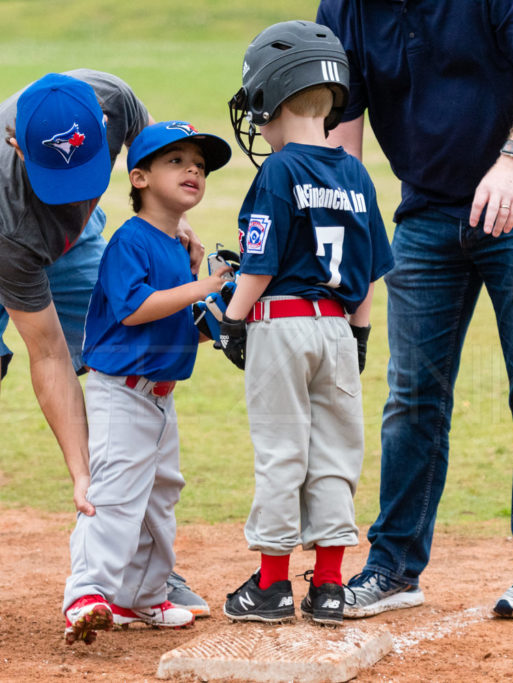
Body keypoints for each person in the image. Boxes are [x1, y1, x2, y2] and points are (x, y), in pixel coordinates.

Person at [0, 71, 208, 646]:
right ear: (19, 148)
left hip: (66, 243)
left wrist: (176, 221)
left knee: (125, 366)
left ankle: (140, 571)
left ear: (101, 125)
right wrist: (82, 473)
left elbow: (157, 161)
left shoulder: (110, 97)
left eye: (90, 174)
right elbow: (48, 355)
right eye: (63, 180)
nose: (81, 194)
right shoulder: (0, 212)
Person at [315, 0, 513, 619]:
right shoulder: (344, 8)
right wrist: (342, 214)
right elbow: (343, 124)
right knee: (412, 396)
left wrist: (512, 161)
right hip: (425, 212)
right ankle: (393, 567)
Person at [216, 21, 393, 627]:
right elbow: (371, 272)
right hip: (339, 330)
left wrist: (230, 324)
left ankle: (269, 588)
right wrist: (361, 334)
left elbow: (259, 266)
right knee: (336, 456)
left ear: (276, 97)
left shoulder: (279, 171)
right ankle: (329, 586)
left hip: (283, 327)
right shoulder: (357, 175)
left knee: (281, 454)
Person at [61, 121, 233, 644]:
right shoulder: (130, 241)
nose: (193, 171)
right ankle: (86, 594)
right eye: (177, 161)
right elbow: (135, 311)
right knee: (115, 494)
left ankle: (138, 597)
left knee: (160, 495)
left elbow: (179, 325)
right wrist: (203, 285)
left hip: (160, 398)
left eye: (199, 166)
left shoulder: (178, 249)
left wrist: (227, 308)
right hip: (120, 392)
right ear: (139, 177)